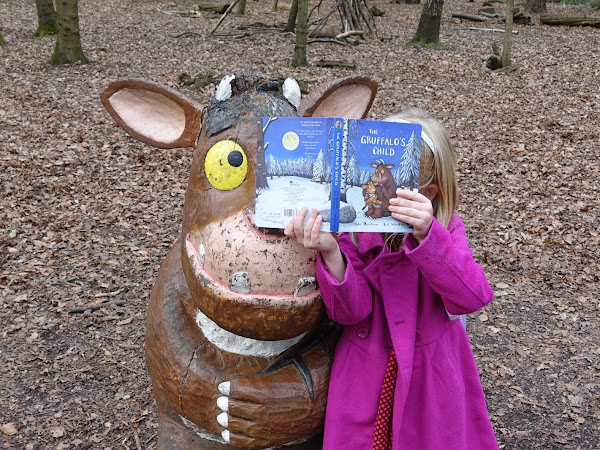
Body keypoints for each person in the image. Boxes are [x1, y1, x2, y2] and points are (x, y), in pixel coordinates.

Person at [284, 108, 498, 449]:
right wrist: (330, 251)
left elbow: (472, 296)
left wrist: (428, 236)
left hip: (432, 379)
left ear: (427, 193)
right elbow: (351, 312)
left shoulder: (447, 231)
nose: (376, 188)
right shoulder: (355, 234)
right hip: (365, 375)